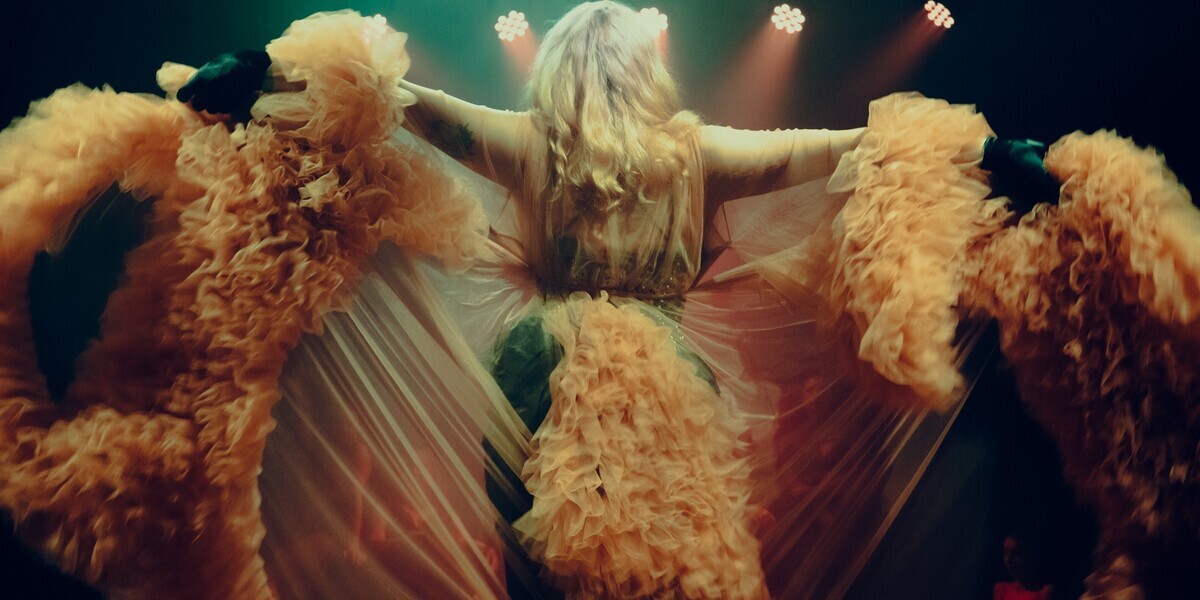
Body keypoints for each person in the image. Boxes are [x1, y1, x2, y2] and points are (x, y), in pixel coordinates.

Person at [17, 3, 1175, 600]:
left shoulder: (527, 141)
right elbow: (848, 148)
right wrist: (983, 152)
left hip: (538, 364)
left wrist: (264, 72)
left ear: (563, 70)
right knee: (677, 557)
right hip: (669, 370)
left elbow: (402, 101)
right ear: (646, 73)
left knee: (539, 554)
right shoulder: (702, 152)